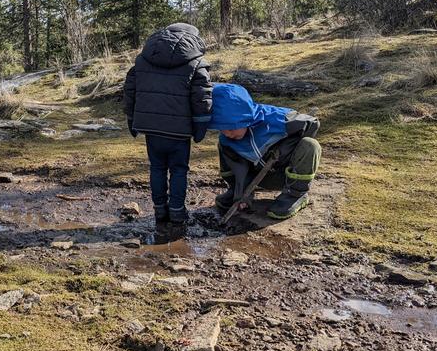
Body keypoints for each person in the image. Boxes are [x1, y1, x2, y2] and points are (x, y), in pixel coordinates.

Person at [123, 23, 213, 242]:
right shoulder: (196, 63)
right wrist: (200, 128)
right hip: (179, 131)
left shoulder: (143, 59)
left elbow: (130, 91)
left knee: (157, 168)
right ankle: (177, 212)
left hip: (151, 128)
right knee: (179, 170)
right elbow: (202, 99)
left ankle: (160, 211)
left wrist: (132, 120)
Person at [207, 83, 321, 219]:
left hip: (286, 175)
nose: (227, 133)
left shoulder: (279, 119)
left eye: (231, 128)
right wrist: (242, 195)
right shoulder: (227, 140)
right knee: (223, 145)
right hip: (257, 177)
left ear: (244, 118)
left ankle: (295, 196)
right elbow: (239, 168)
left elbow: (313, 124)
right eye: (221, 128)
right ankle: (235, 190)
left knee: (310, 144)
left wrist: (284, 147)